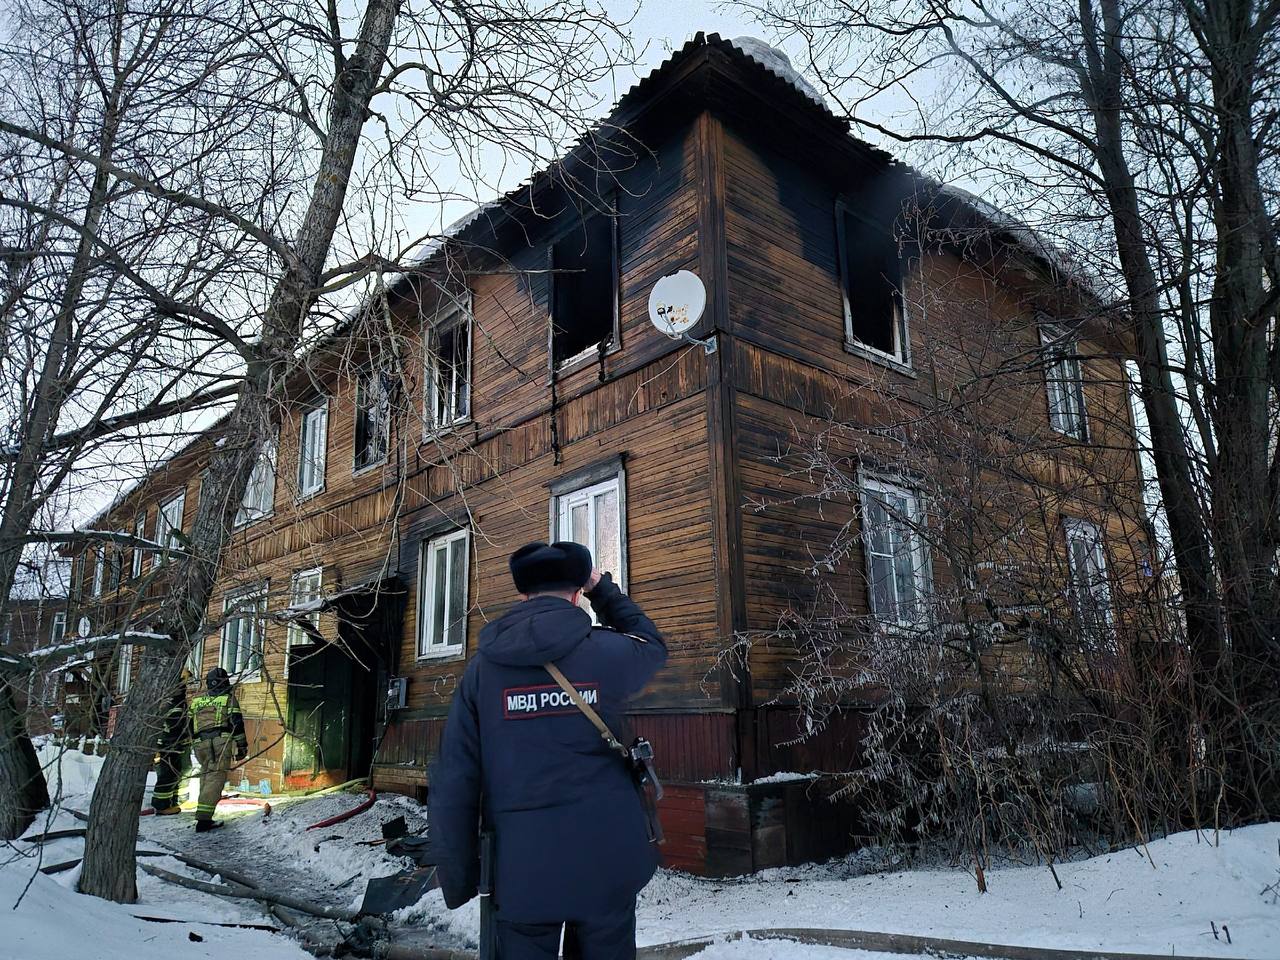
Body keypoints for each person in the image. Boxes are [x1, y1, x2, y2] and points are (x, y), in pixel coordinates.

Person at [430, 541, 668, 960]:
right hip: (606, 859)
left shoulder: (483, 670)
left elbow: (455, 778)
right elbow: (651, 644)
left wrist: (462, 874)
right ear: (577, 594)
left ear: (523, 596)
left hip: (522, 871)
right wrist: (603, 589)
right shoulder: (606, 653)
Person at [188, 666, 247, 832]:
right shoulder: (228, 699)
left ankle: (203, 813)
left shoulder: (197, 700)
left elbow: (189, 724)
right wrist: (242, 746)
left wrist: (194, 742)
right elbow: (236, 723)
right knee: (215, 778)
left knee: (206, 777)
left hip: (200, 743)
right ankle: (204, 820)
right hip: (220, 742)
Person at [149, 669, 193, 815]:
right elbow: (173, 724)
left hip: (176, 743)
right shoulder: (171, 701)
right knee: (168, 774)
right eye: (184, 681)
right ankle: (162, 806)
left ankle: (177, 801)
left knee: (182, 770)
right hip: (169, 744)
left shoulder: (177, 701)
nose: (186, 684)